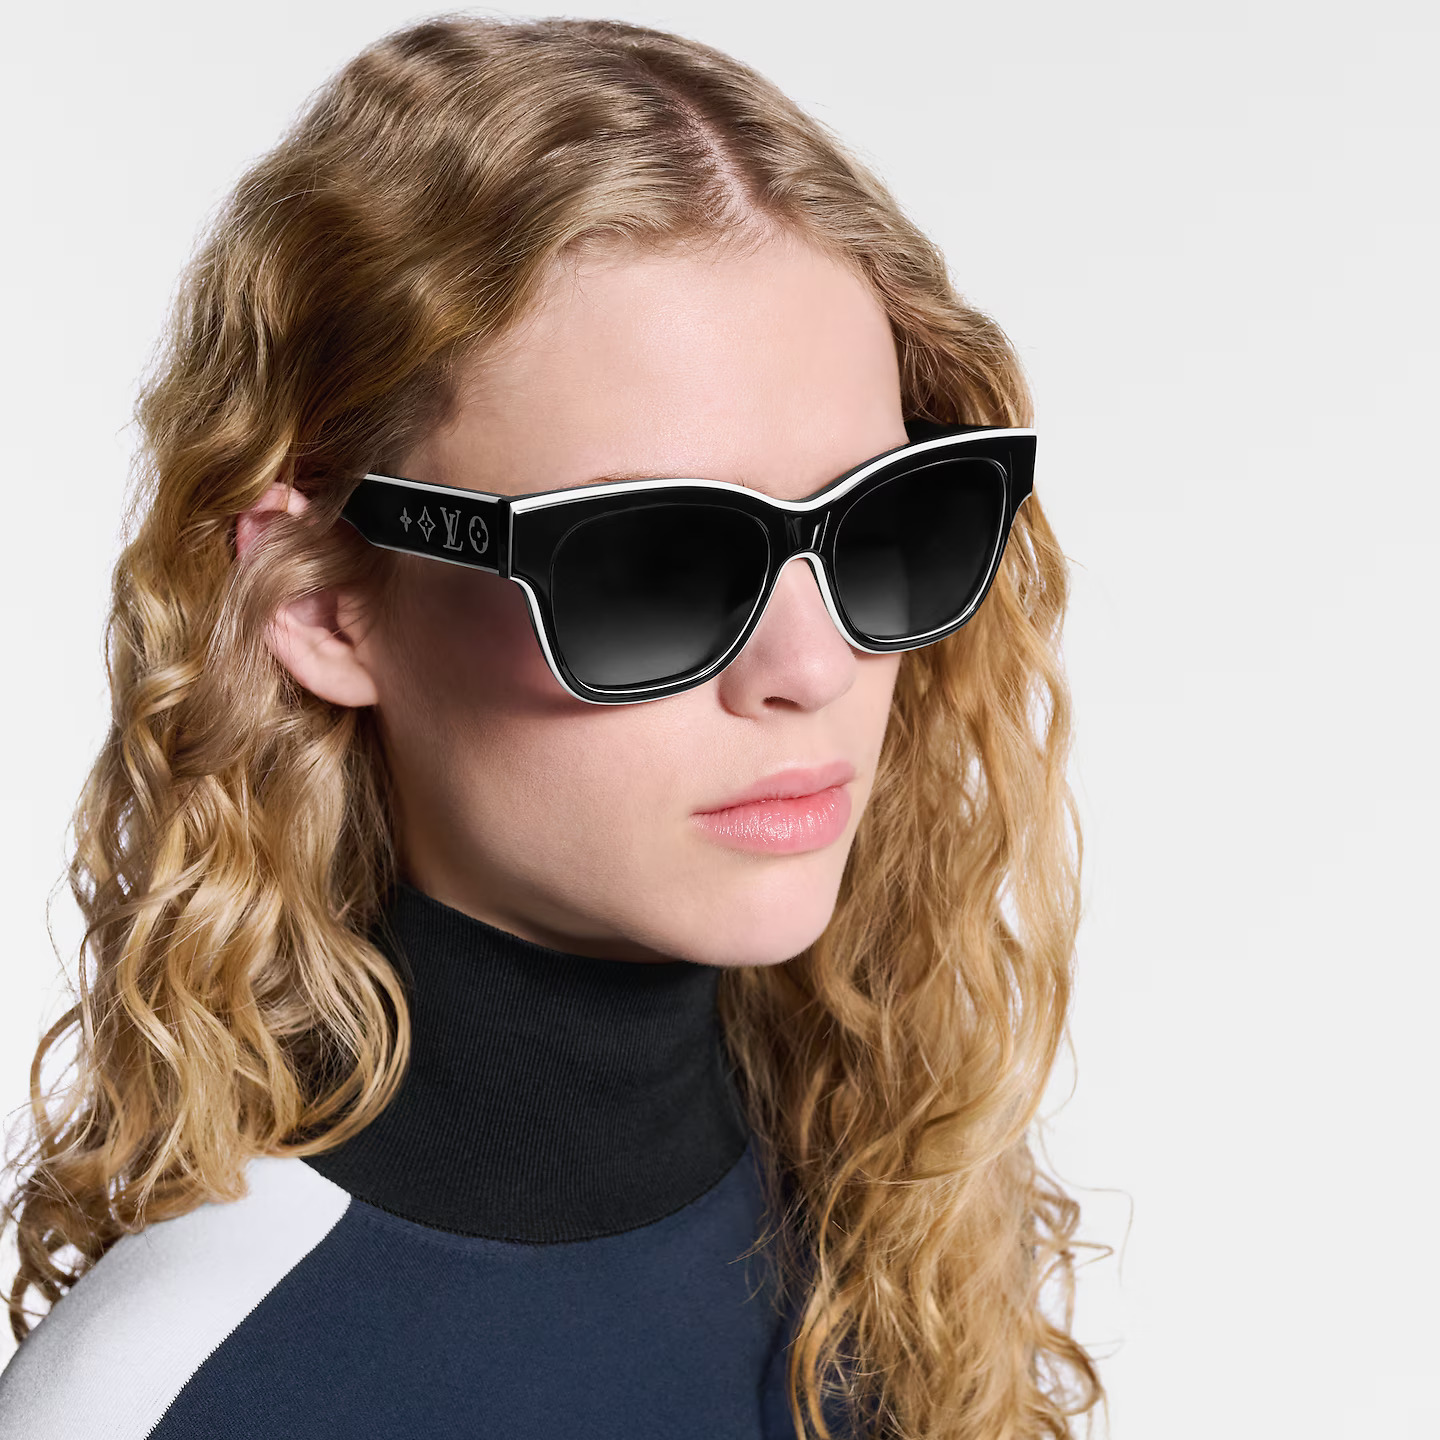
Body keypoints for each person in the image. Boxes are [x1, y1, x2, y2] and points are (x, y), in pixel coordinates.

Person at [0, 15, 1104, 1439]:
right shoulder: (170, 1397)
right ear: (323, 601)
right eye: (652, 564)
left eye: (889, 526)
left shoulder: (898, 1232)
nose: (814, 665)